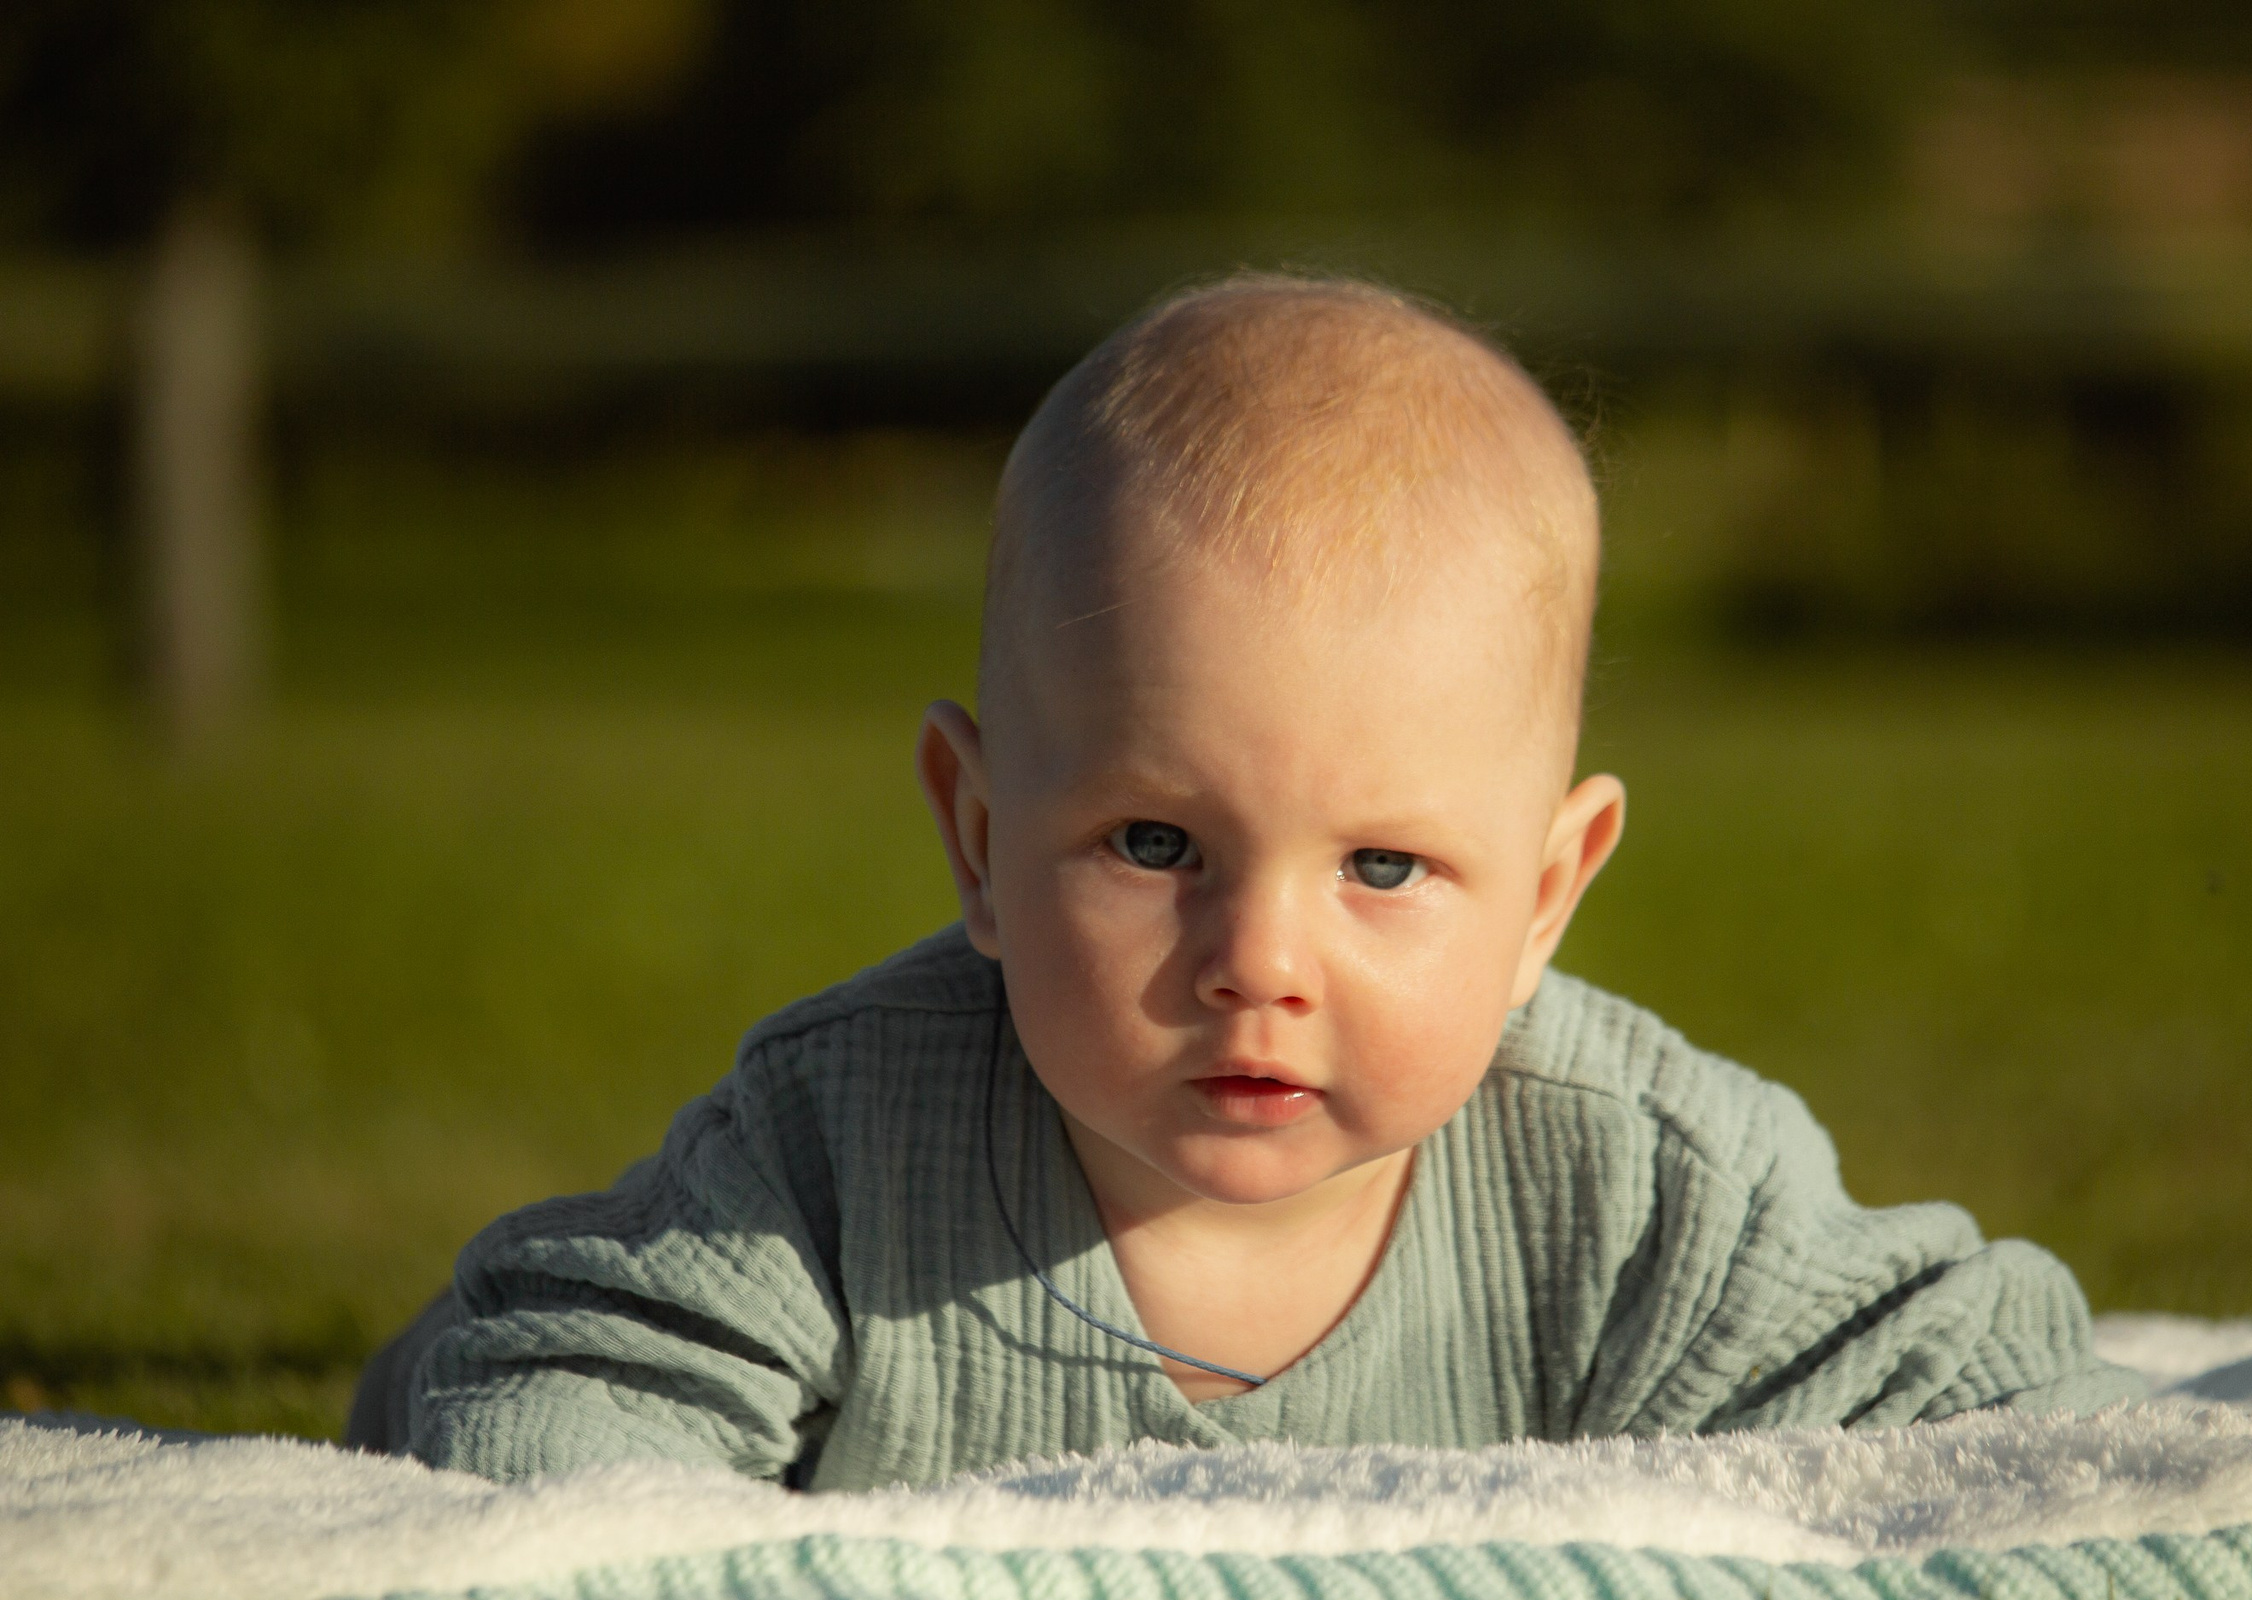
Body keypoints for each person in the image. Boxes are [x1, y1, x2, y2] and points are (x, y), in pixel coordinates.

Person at [348, 274, 2144, 1489]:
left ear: (1545, 895)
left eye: (1384, 866)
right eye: (1155, 846)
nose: (1256, 960)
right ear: (978, 836)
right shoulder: (835, 1152)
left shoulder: (1640, 1190)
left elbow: (2000, 1410)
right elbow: (550, 1427)